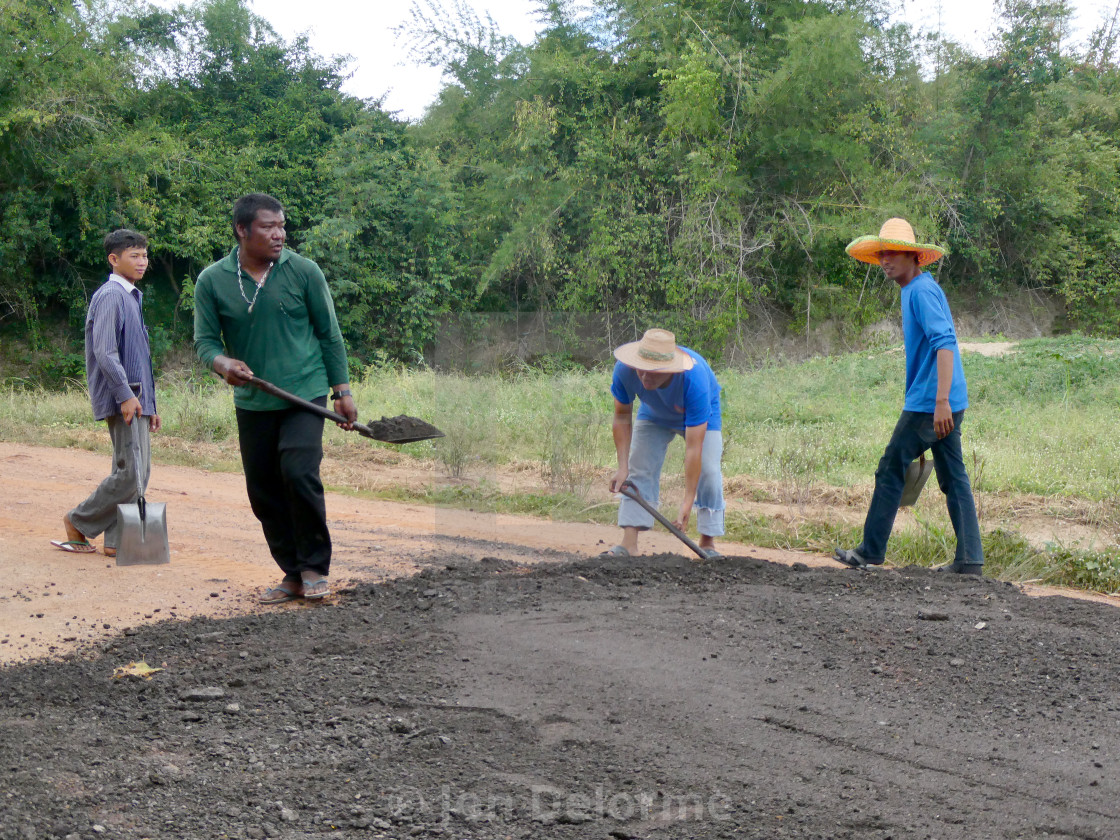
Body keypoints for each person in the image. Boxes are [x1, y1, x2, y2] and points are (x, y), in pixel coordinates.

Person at [193, 193, 357, 604]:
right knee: (263, 490)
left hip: (305, 393)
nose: (279, 234)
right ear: (242, 230)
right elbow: (204, 342)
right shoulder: (212, 280)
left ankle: (315, 567)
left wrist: (342, 390)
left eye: (282, 225)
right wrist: (222, 363)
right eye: (268, 226)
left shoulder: (304, 271)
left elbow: (329, 333)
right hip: (254, 399)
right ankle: (292, 573)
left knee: (299, 473)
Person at [833, 218, 984, 575]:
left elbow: (945, 343)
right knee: (953, 476)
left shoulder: (920, 291)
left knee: (890, 466)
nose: (886, 260)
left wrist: (941, 401)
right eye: (882, 254)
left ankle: (870, 551)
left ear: (913, 256)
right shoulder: (915, 288)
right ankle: (969, 560)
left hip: (932, 403)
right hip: (942, 399)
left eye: (894, 253)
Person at [52, 229, 160, 556]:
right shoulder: (112, 295)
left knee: (134, 470)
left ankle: (116, 541)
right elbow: (105, 351)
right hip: (123, 398)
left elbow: (138, 357)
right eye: (134, 255)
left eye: (144, 255)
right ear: (114, 260)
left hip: (136, 397)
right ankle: (78, 521)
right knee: (132, 473)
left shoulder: (130, 296)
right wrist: (126, 395)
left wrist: (149, 403)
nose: (143, 261)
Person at [604, 328, 724, 558]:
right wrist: (622, 467)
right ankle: (628, 544)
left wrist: (688, 499)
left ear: (671, 369)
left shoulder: (694, 379)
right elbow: (621, 416)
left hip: (699, 417)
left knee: (709, 471)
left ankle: (708, 543)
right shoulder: (625, 371)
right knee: (639, 465)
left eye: (654, 372)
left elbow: (693, 447)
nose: (645, 377)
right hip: (654, 413)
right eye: (642, 369)